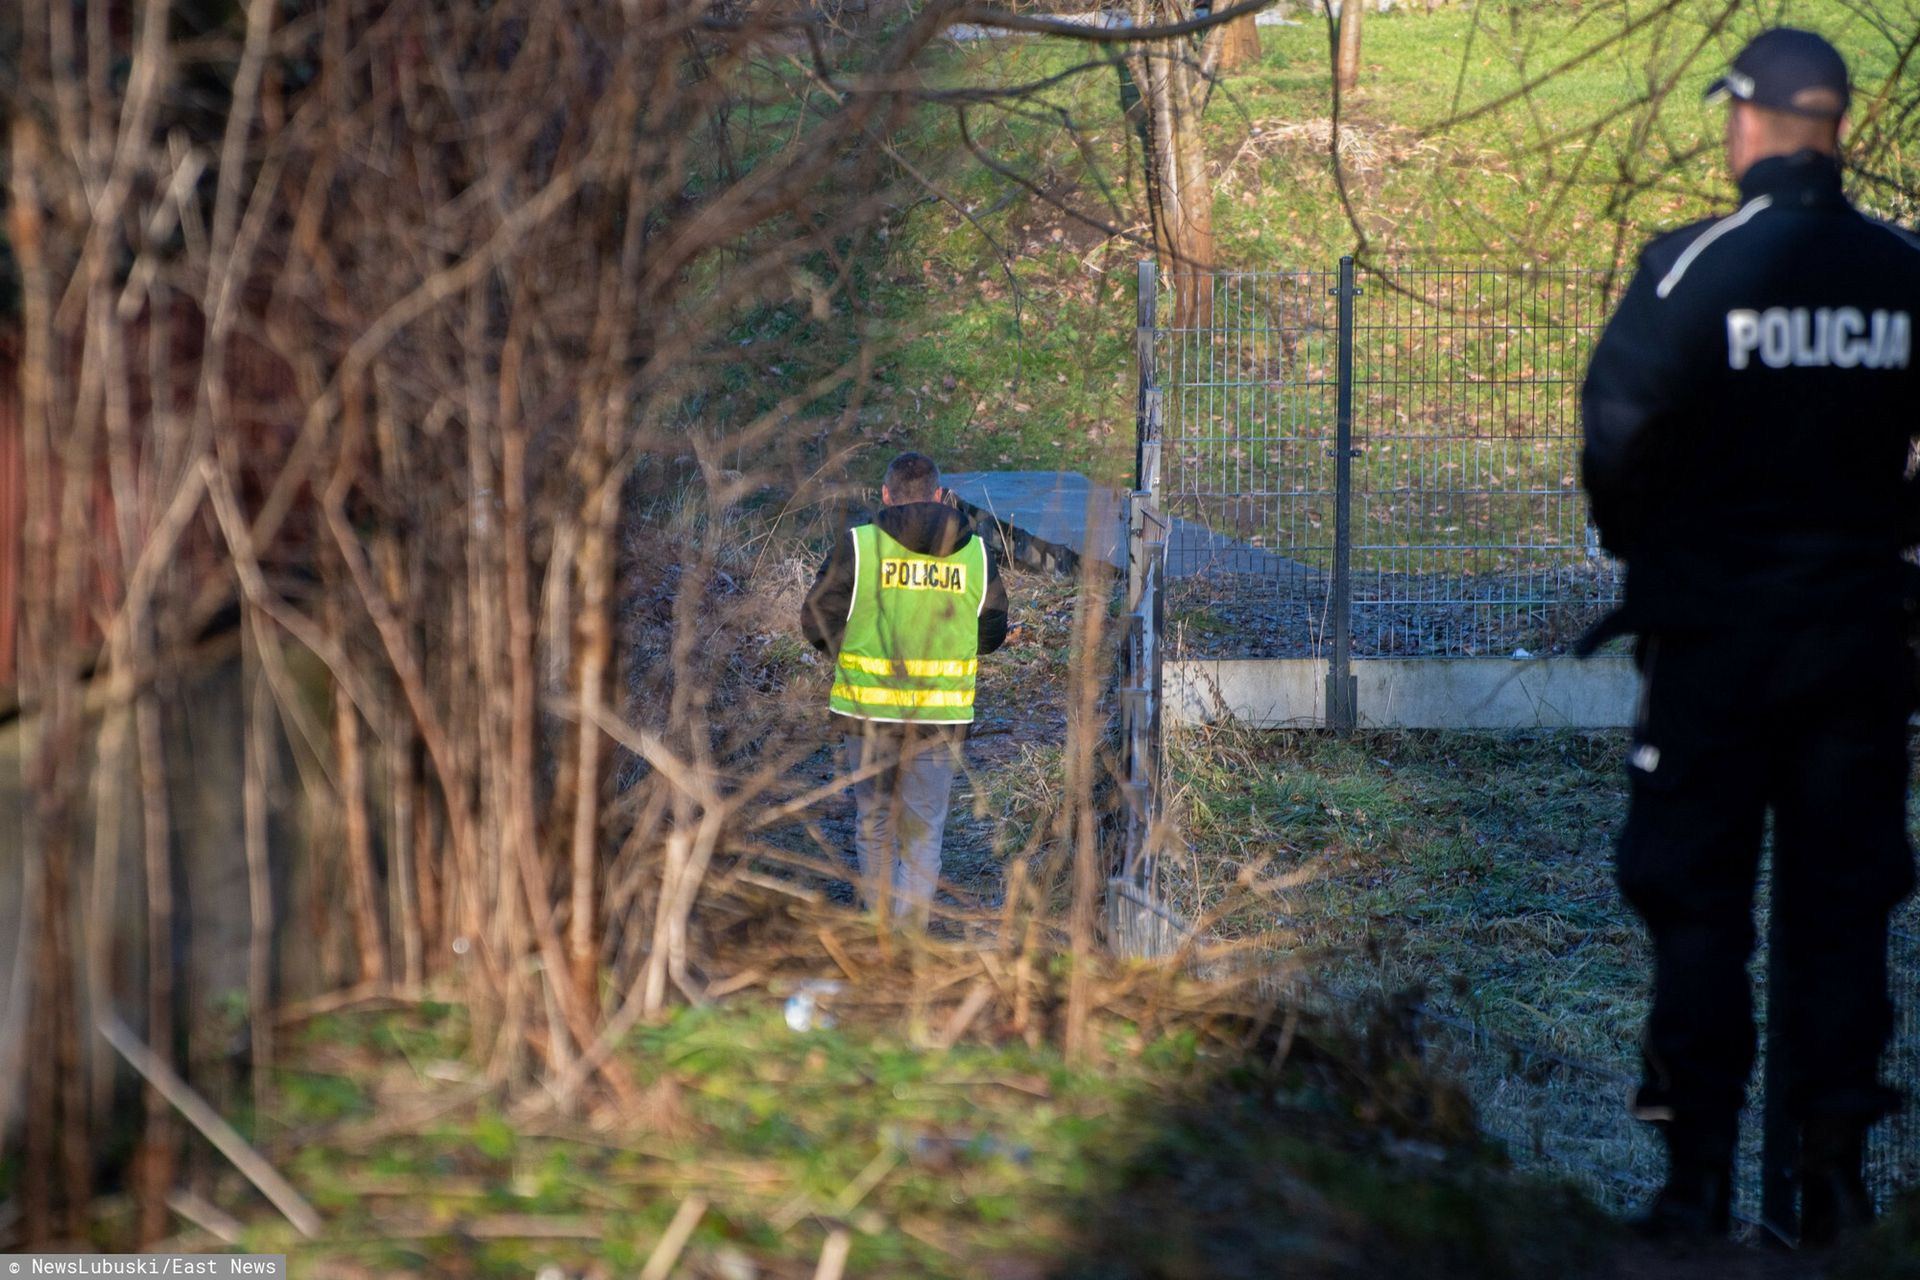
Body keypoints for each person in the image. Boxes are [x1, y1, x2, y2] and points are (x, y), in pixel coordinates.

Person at [1580, 27, 1920, 1244]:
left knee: (1695, 902)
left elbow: (1616, 437)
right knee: (1842, 908)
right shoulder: (1904, 269)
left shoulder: (1690, 270)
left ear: (1755, 122)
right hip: (1859, 650)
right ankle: (1832, 1187)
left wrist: (1664, 556)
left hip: (1715, 649)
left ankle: (1697, 1186)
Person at [801, 452, 1009, 923]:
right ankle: (909, 942)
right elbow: (993, 631)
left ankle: (880, 935)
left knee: (874, 825)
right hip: (938, 719)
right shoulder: (975, 553)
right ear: (940, 496)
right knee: (923, 834)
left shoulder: (860, 546)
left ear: (886, 496)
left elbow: (815, 619)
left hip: (867, 714)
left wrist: (853, 647)